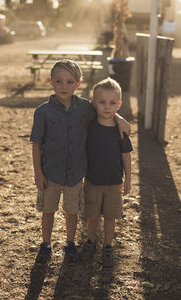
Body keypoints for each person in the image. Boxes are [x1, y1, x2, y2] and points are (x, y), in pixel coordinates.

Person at [30, 60, 131, 266]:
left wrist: (120, 118)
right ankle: (46, 244)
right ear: (51, 82)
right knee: (48, 210)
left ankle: (70, 243)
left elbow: (106, 108)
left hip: (76, 173)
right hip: (50, 172)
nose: (63, 86)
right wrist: (38, 173)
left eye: (69, 81)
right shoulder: (43, 112)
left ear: (78, 83)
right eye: (58, 81)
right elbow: (36, 144)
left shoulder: (85, 107)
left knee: (72, 211)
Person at [79, 77, 133, 269]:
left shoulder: (121, 131)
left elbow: (126, 155)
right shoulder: (89, 126)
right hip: (92, 181)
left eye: (112, 103)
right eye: (102, 102)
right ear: (94, 104)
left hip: (114, 182)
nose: (107, 107)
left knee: (110, 217)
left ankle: (108, 246)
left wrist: (128, 178)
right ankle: (91, 241)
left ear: (119, 104)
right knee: (92, 216)